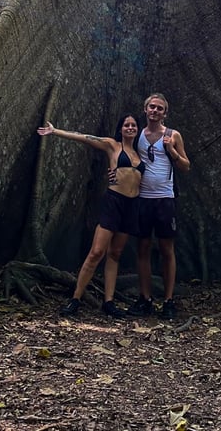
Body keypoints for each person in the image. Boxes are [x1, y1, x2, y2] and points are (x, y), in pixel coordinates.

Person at [37, 113, 144, 319]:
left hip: (133, 206)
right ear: (121, 128)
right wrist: (56, 131)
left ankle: (109, 302)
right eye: (126, 125)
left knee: (115, 254)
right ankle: (76, 298)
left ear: (137, 129)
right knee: (96, 252)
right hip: (114, 202)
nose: (130, 128)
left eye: (133, 125)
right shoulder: (112, 145)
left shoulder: (140, 154)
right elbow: (85, 137)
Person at [128, 93, 190, 320]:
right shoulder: (138, 135)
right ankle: (145, 299)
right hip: (142, 198)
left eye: (159, 109)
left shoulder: (173, 135)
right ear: (145, 110)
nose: (155, 111)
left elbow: (186, 166)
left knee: (167, 250)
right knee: (142, 248)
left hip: (165, 199)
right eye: (152, 107)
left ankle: (168, 300)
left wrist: (172, 151)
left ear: (165, 113)